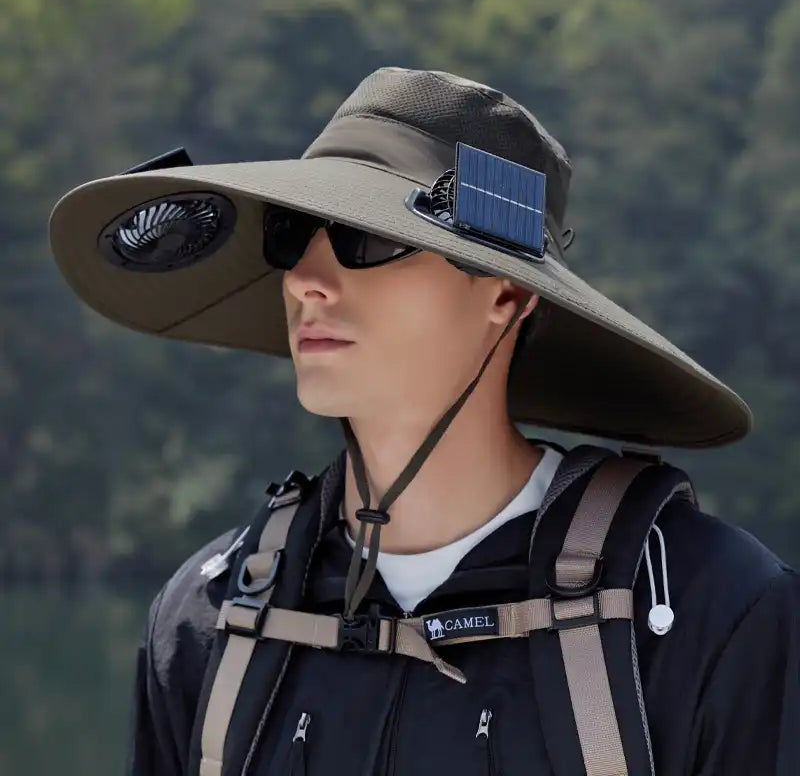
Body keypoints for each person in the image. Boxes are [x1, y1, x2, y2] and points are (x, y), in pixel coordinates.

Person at [49, 67, 799, 775]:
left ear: (506, 294)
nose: (307, 280)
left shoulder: (703, 611)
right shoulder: (206, 621)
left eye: (368, 238)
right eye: (292, 235)